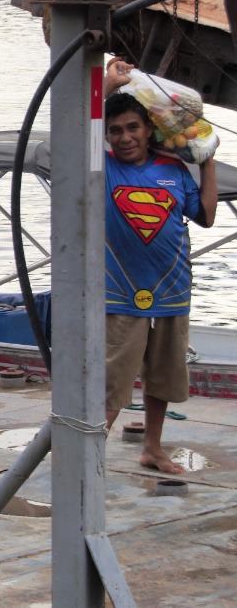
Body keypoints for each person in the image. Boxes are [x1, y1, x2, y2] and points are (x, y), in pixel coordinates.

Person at [103, 59, 217, 472]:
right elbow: (76, 132)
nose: (125, 137)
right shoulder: (102, 166)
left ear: (149, 129)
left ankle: (152, 447)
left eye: (133, 128)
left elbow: (206, 216)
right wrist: (106, 85)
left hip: (172, 287)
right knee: (112, 379)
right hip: (120, 291)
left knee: (164, 374)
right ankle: (89, 452)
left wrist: (205, 159)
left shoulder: (173, 168)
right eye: (115, 130)